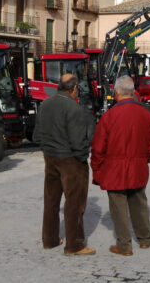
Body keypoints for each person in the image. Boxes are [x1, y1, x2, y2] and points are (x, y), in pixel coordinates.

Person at [91, 76, 150, 256]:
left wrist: (97, 170)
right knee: (139, 203)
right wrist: (143, 160)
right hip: (138, 167)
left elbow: (98, 148)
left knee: (118, 207)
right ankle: (145, 239)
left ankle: (124, 244)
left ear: (117, 93)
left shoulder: (108, 116)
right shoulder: (147, 114)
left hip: (114, 169)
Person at [33, 73, 95, 256]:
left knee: (51, 200)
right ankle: (74, 245)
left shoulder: (45, 104)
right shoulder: (72, 108)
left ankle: (49, 240)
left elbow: (37, 135)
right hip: (69, 160)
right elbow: (78, 142)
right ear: (74, 88)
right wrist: (83, 159)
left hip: (50, 156)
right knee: (74, 202)